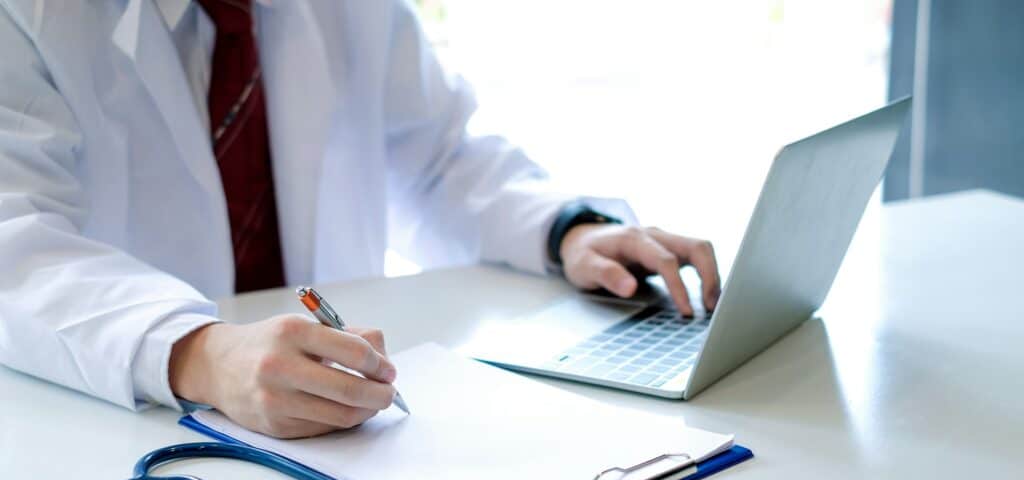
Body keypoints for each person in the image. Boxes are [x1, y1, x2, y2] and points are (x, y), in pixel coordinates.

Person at [0, 0, 720, 438]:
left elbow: (436, 154)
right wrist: (199, 352)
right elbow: (17, 241)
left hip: (342, 431)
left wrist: (566, 229)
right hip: (119, 426)